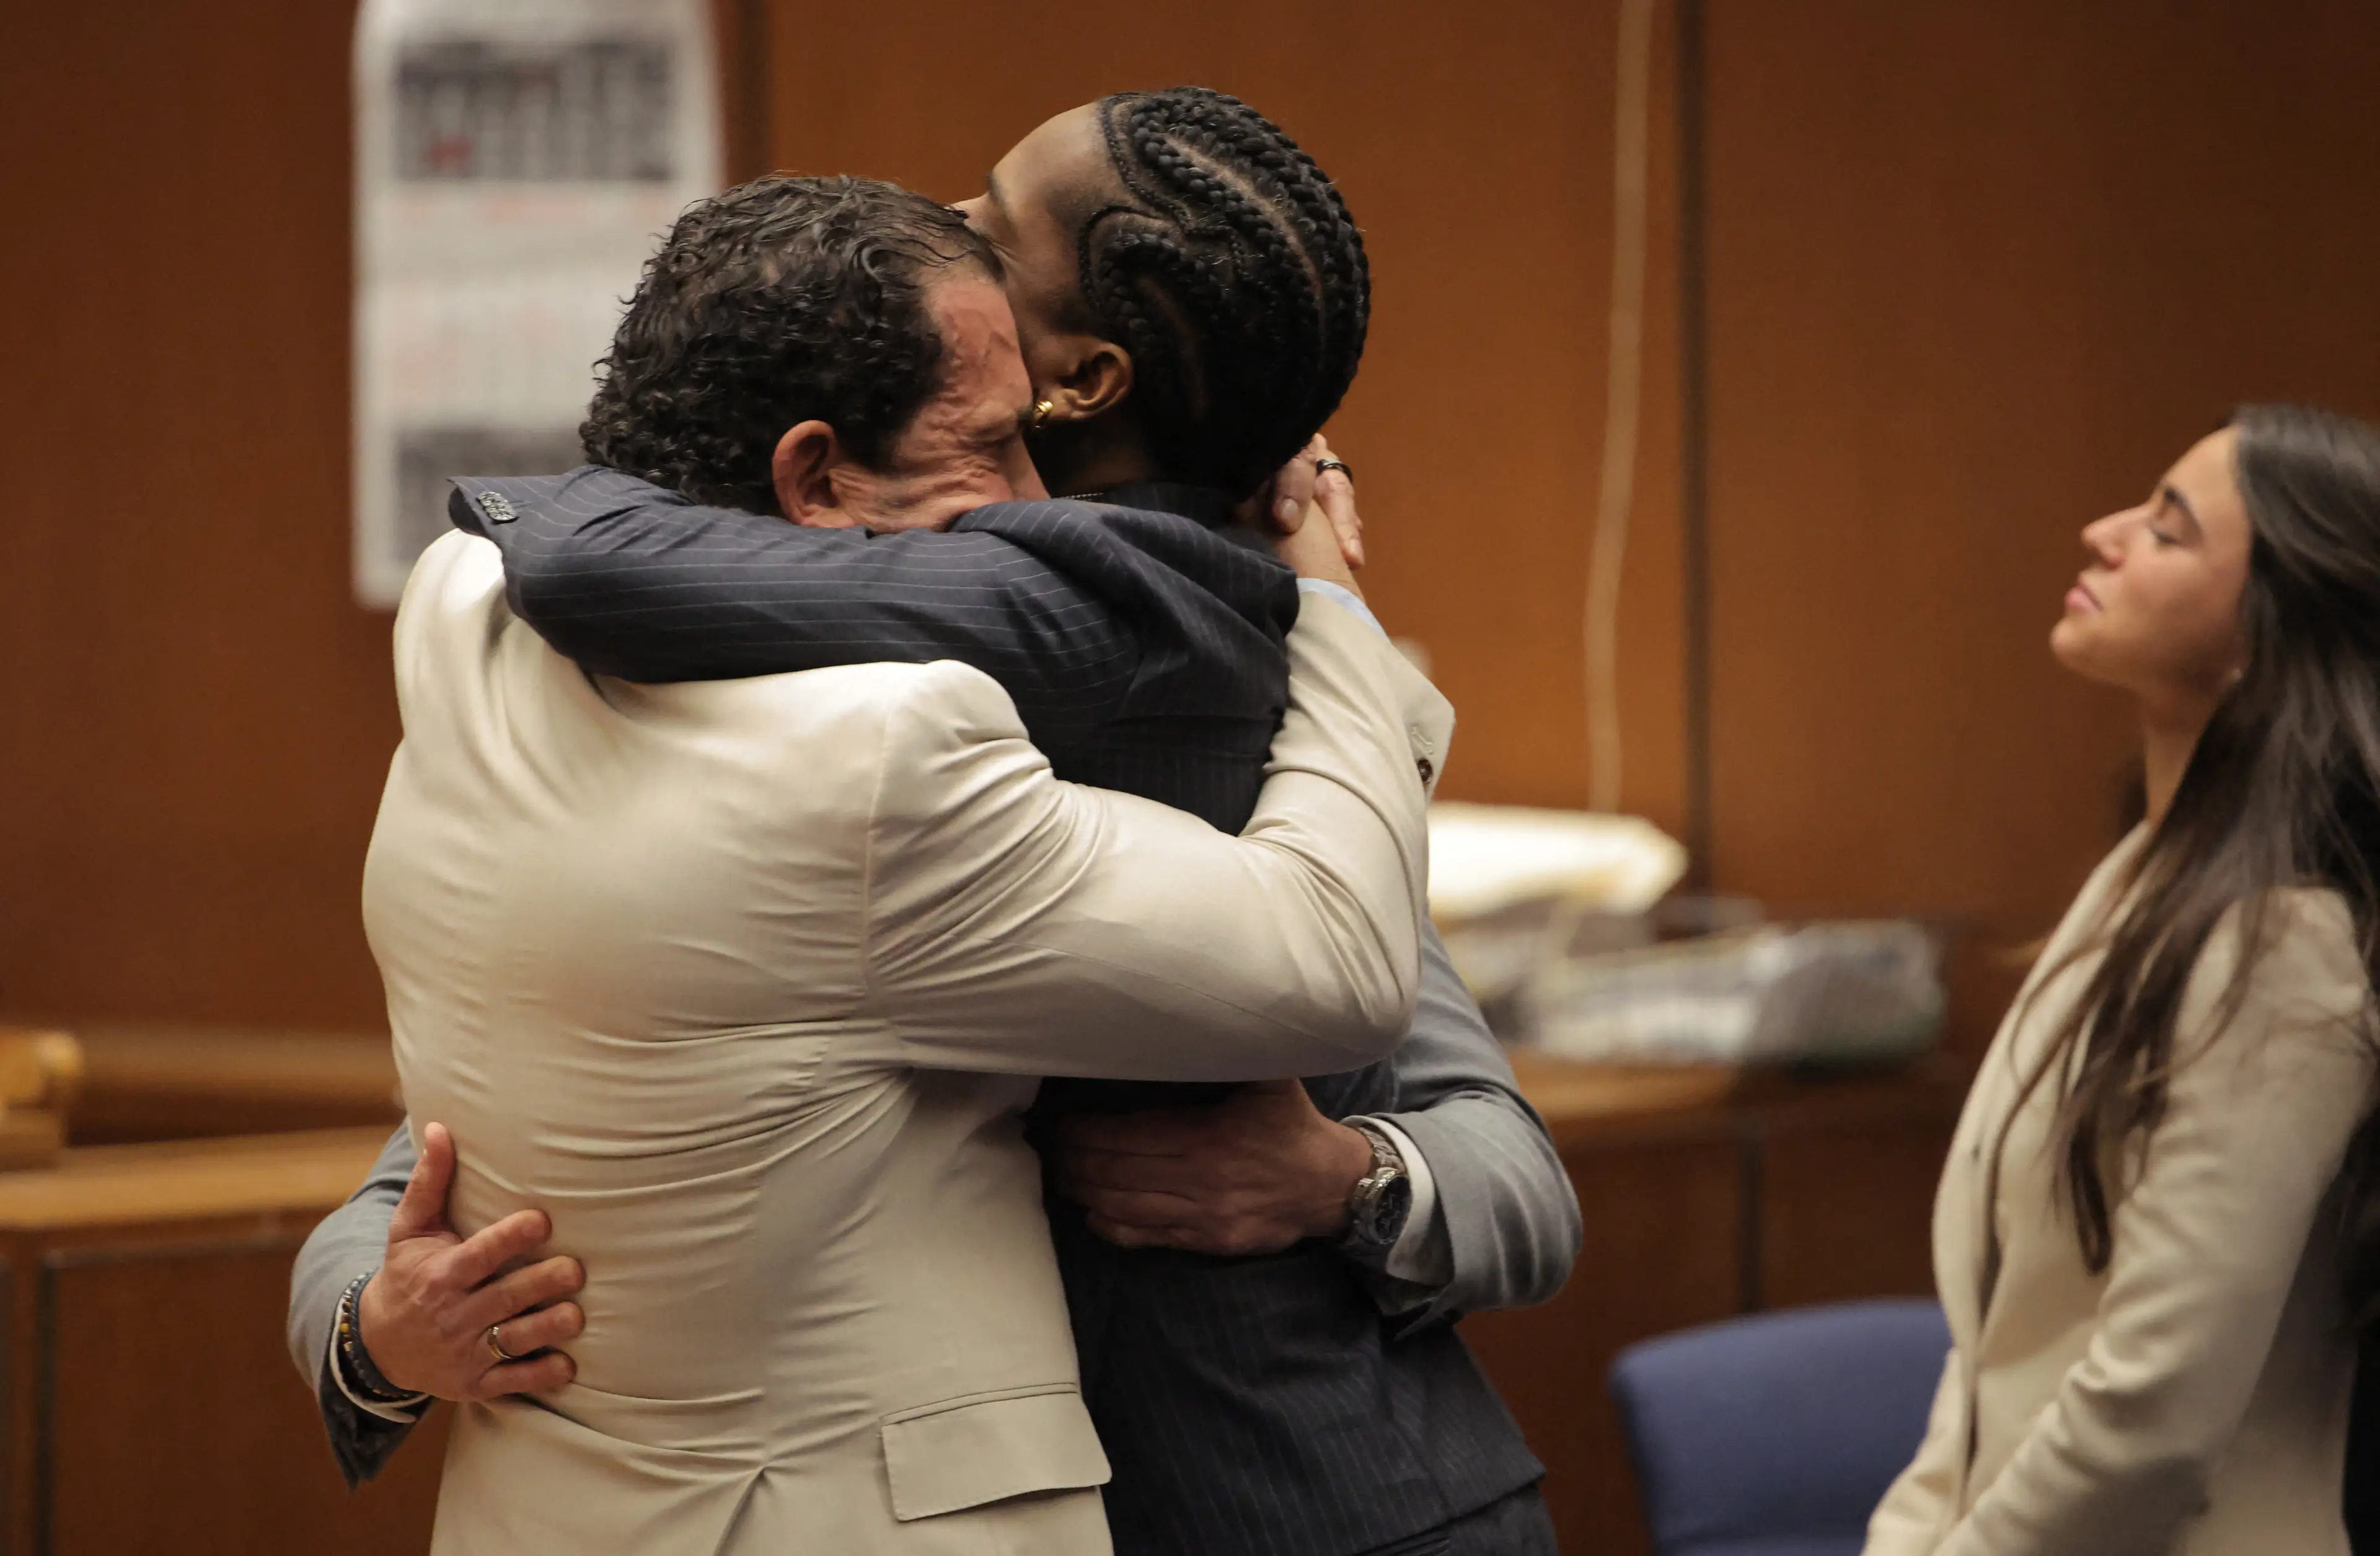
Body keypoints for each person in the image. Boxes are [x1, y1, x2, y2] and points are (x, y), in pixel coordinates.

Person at [290, 89, 1575, 1556]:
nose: (942, 216)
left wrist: (1345, 1181)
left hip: (1302, 1499)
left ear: (1082, 377)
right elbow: (510, 1092)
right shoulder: (779, 701)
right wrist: (375, 1327)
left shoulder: (1243, 724)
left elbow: (1508, 1158)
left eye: (990, 216)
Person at [1864, 404, 2380, 1555]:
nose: (2102, 532)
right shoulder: (2142, 878)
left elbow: (2152, 1416)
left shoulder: (2289, 948)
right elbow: (2000, 1344)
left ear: (2265, 629)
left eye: (2167, 528)